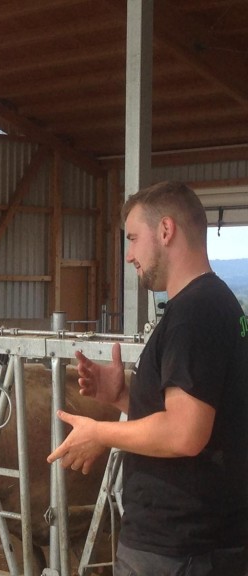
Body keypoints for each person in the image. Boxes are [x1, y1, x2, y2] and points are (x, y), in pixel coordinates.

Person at [48, 181, 248, 575]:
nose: (128, 256)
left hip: (179, 550)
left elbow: (184, 433)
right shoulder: (217, 303)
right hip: (204, 543)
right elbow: (205, 412)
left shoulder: (194, 313)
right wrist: (124, 395)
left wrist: (100, 433)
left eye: (134, 238)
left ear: (166, 231)